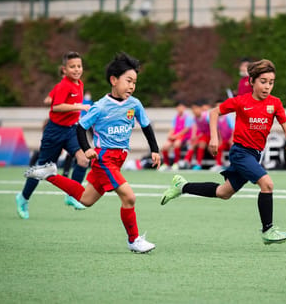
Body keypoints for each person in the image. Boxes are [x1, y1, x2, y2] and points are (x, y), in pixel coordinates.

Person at [23, 52, 161, 253]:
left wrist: (155, 150)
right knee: (129, 197)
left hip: (118, 159)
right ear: (114, 80)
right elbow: (80, 127)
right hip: (105, 158)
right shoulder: (101, 106)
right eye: (128, 81)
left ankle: (50, 174)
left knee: (86, 200)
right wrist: (87, 149)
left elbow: (147, 126)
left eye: (134, 82)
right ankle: (134, 240)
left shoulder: (135, 104)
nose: (132, 86)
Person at [161, 59, 286, 244]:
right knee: (267, 184)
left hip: (255, 155)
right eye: (263, 81)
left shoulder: (275, 103)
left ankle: (182, 186)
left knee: (223, 192)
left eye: (271, 83)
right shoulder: (241, 101)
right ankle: (268, 230)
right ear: (252, 82)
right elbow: (214, 113)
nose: (267, 87)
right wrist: (214, 137)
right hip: (241, 153)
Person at [15, 51, 90, 220]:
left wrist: (56, 99)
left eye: (79, 66)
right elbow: (55, 107)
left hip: (71, 130)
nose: (77, 69)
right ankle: (23, 198)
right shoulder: (64, 85)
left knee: (84, 159)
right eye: (72, 67)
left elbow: (54, 99)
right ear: (64, 69)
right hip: (54, 132)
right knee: (41, 170)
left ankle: (72, 195)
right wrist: (78, 106)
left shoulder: (79, 84)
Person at [161, 101, 194, 171]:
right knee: (165, 146)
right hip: (176, 136)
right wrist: (169, 135)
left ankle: (176, 163)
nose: (180, 109)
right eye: (178, 107)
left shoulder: (188, 117)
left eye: (181, 107)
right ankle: (166, 164)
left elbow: (186, 129)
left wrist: (176, 136)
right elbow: (173, 128)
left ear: (184, 108)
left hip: (184, 137)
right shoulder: (175, 118)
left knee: (177, 144)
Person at [182, 101, 210, 170]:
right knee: (193, 144)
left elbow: (214, 127)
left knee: (202, 144)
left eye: (196, 108)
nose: (194, 110)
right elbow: (196, 128)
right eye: (192, 109)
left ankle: (199, 164)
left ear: (200, 109)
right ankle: (186, 161)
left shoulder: (206, 116)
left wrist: (216, 139)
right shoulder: (195, 118)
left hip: (210, 136)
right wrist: (194, 136)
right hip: (203, 136)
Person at [210, 100, 235, 171]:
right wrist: (219, 140)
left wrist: (231, 139)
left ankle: (233, 164)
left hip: (232, 139)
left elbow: (233, 128)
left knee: (233, 148)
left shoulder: (228, 117)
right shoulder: (216, 118)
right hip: (224, 140)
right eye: (217, 106)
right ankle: (218, 164)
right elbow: (219, 131)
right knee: (218, 147)